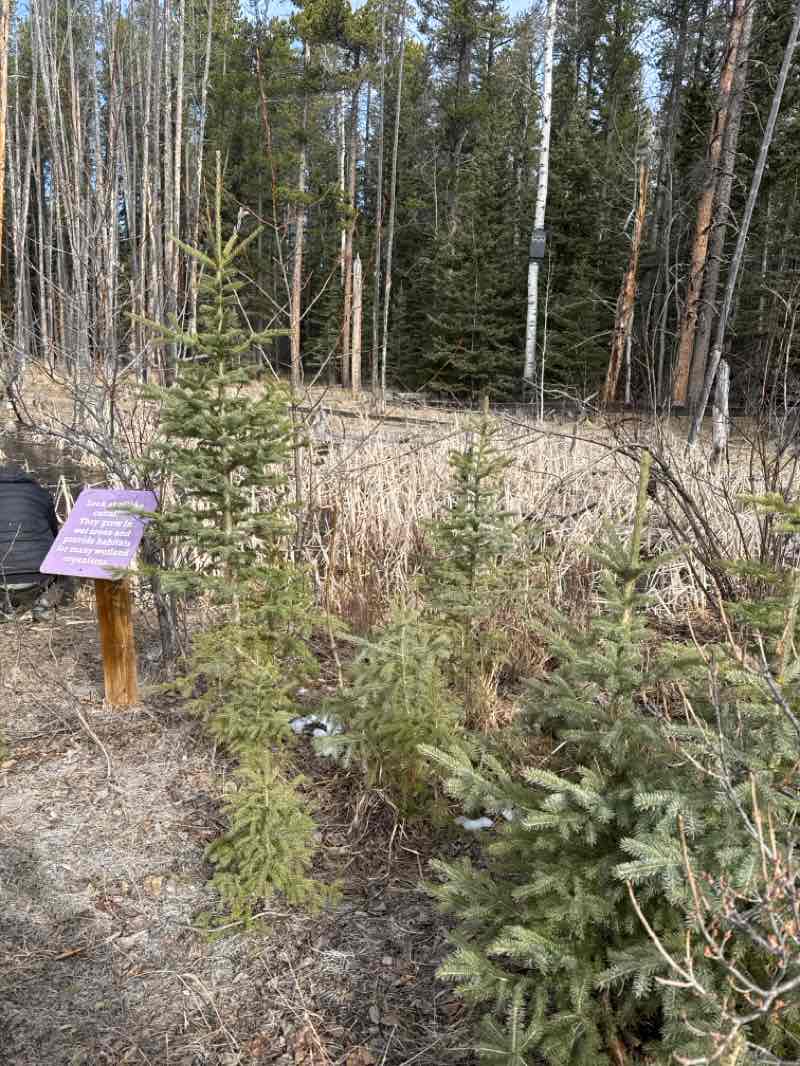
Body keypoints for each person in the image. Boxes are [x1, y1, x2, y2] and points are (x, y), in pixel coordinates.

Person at [0, 464, 63, 622]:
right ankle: (43, 606)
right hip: (39, 576)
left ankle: (6, 610)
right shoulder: (40, 493)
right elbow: (54, 533)